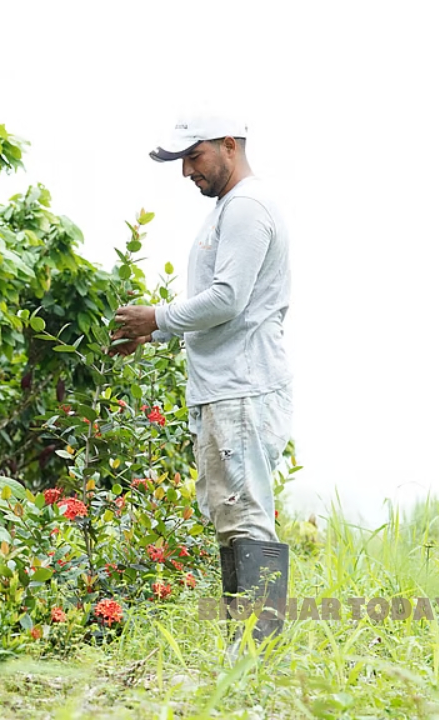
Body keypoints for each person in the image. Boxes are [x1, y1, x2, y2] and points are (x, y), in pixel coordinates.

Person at [109, 114, 293, 654]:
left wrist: (158, 317)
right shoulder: (230, 209)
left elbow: (228, 299)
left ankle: (256, 655)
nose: (187, 171)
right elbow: (223, 304)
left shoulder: (247, 208)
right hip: (227, 388)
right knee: (233, 518)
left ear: (229, 145)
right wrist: (156, 332)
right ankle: (245, 651)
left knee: (247, 520)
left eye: (194, 156)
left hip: (241, 388)